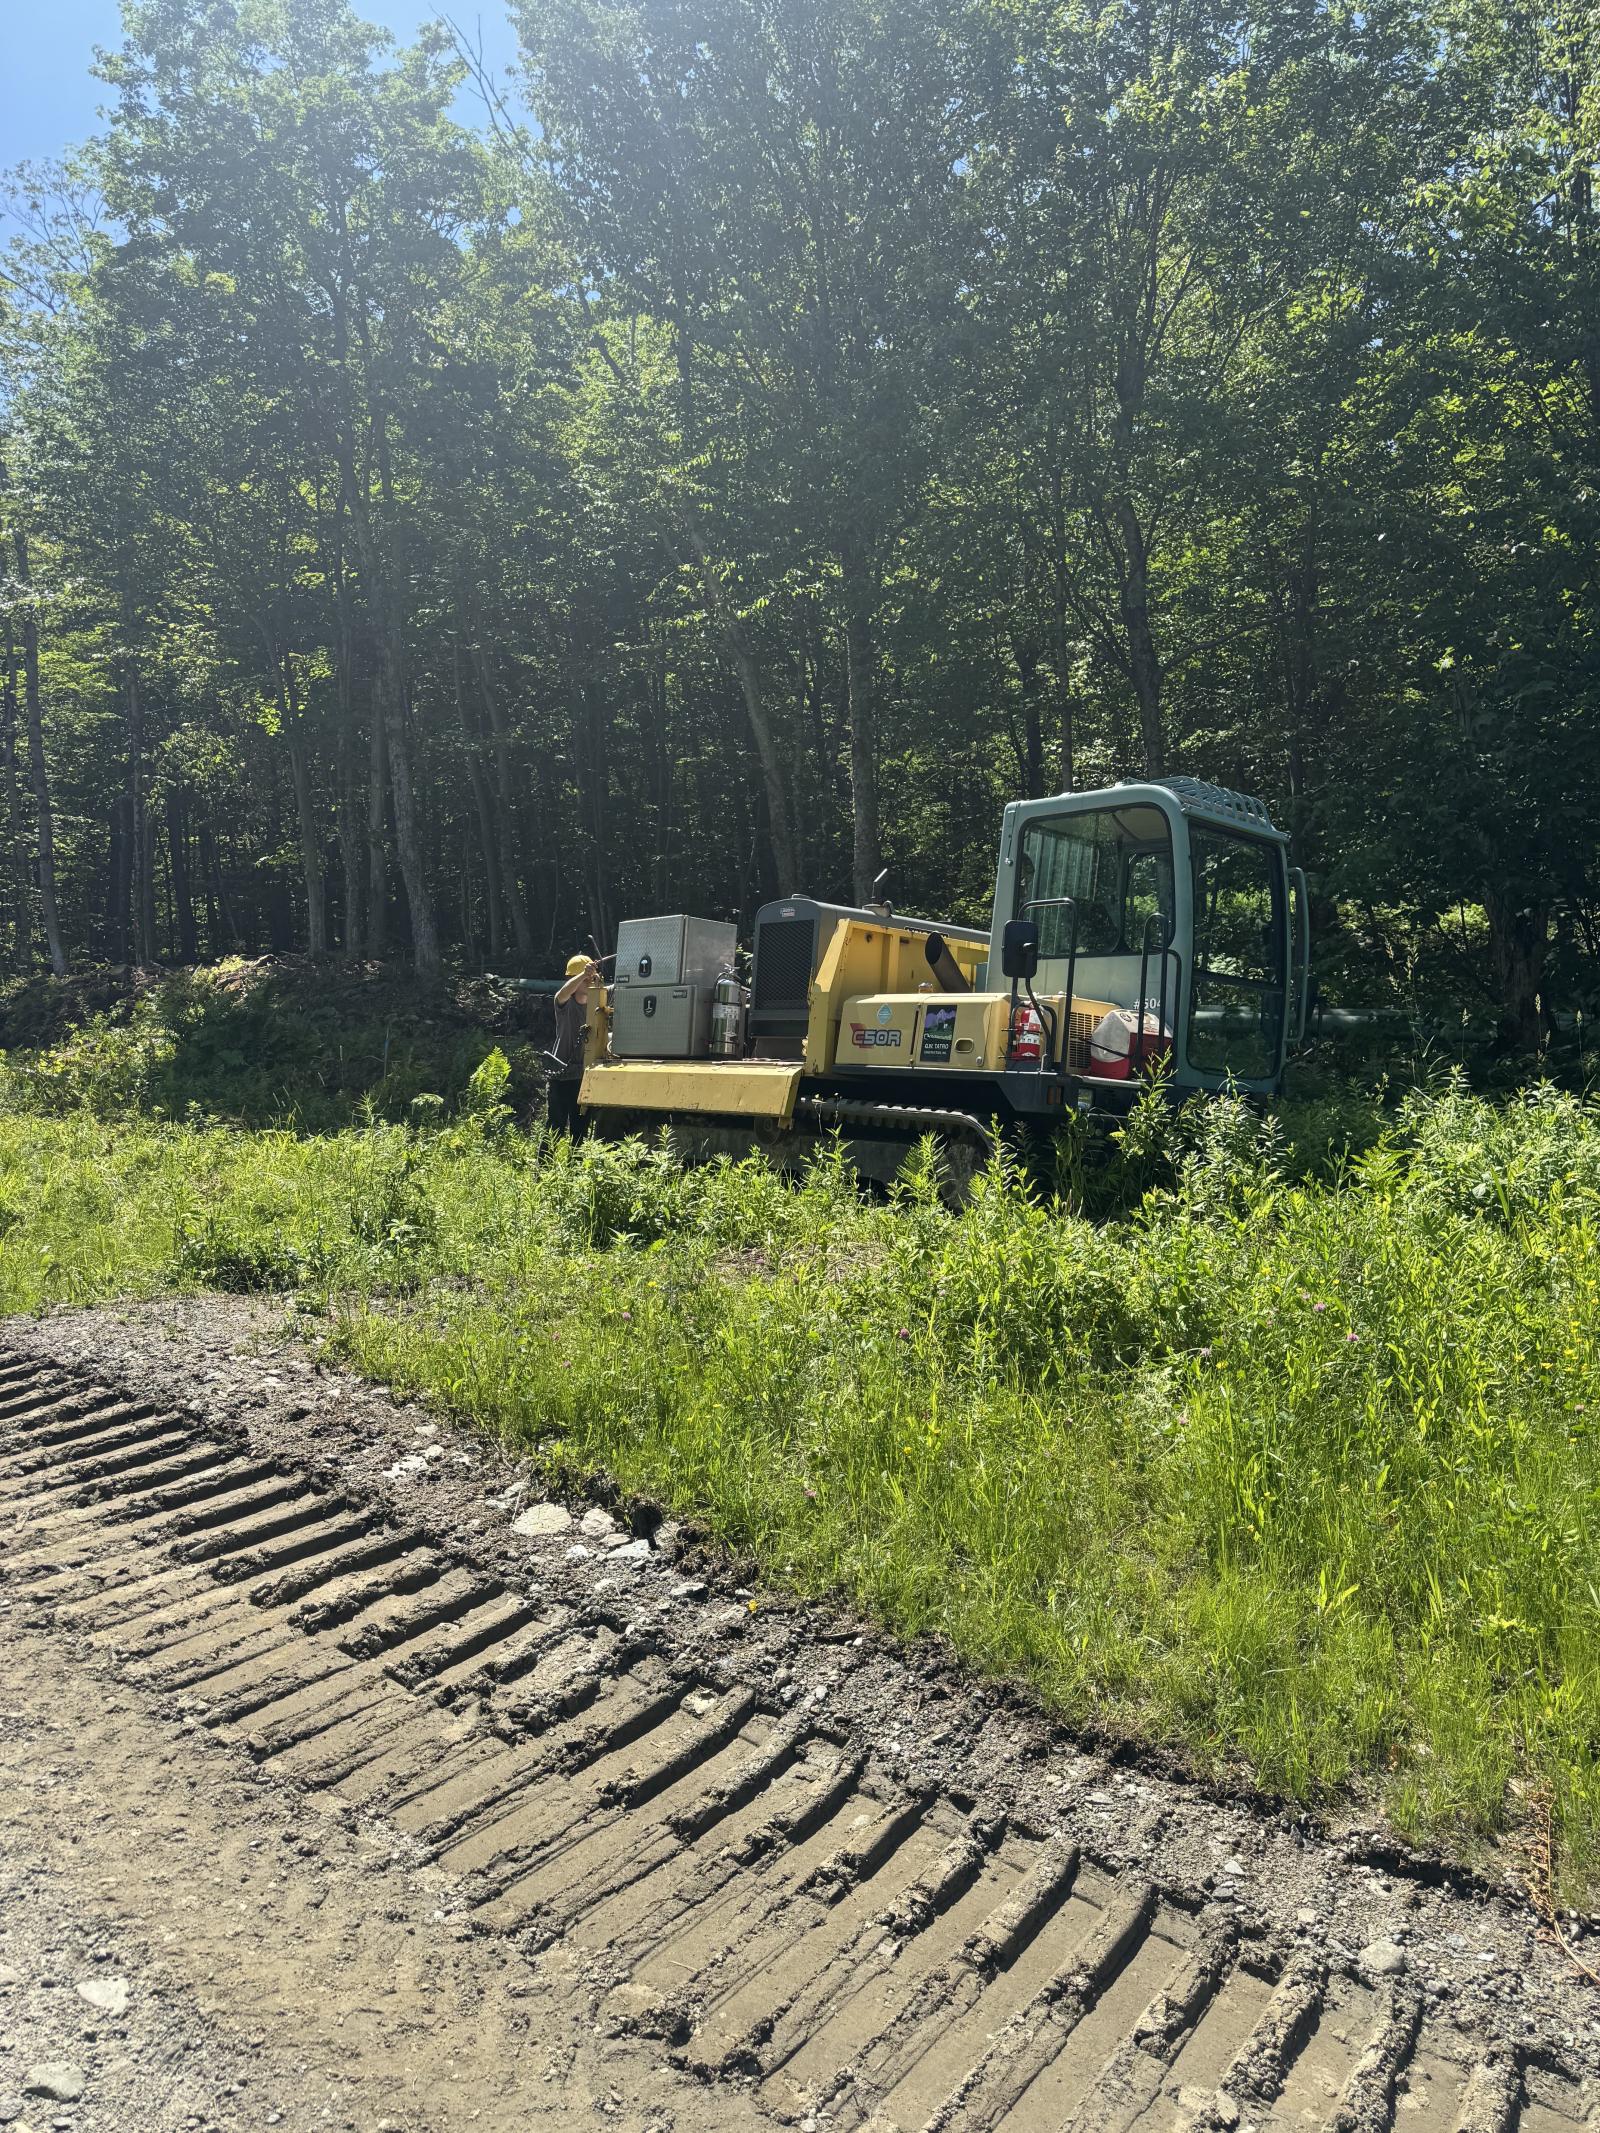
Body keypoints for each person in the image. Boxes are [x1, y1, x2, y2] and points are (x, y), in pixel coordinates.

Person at [547, 953, 604, 1135]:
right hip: (561, 1076)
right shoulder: (564, 1003)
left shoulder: (597, 1003)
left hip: (583, 1077)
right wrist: (584, 974)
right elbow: (563, 993)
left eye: (591, 979)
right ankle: (544, 1163)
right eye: (585, 979)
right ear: (573, 979)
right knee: (555, 1128)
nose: (589, 982)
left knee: (580, 1131)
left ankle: (575, 1164)